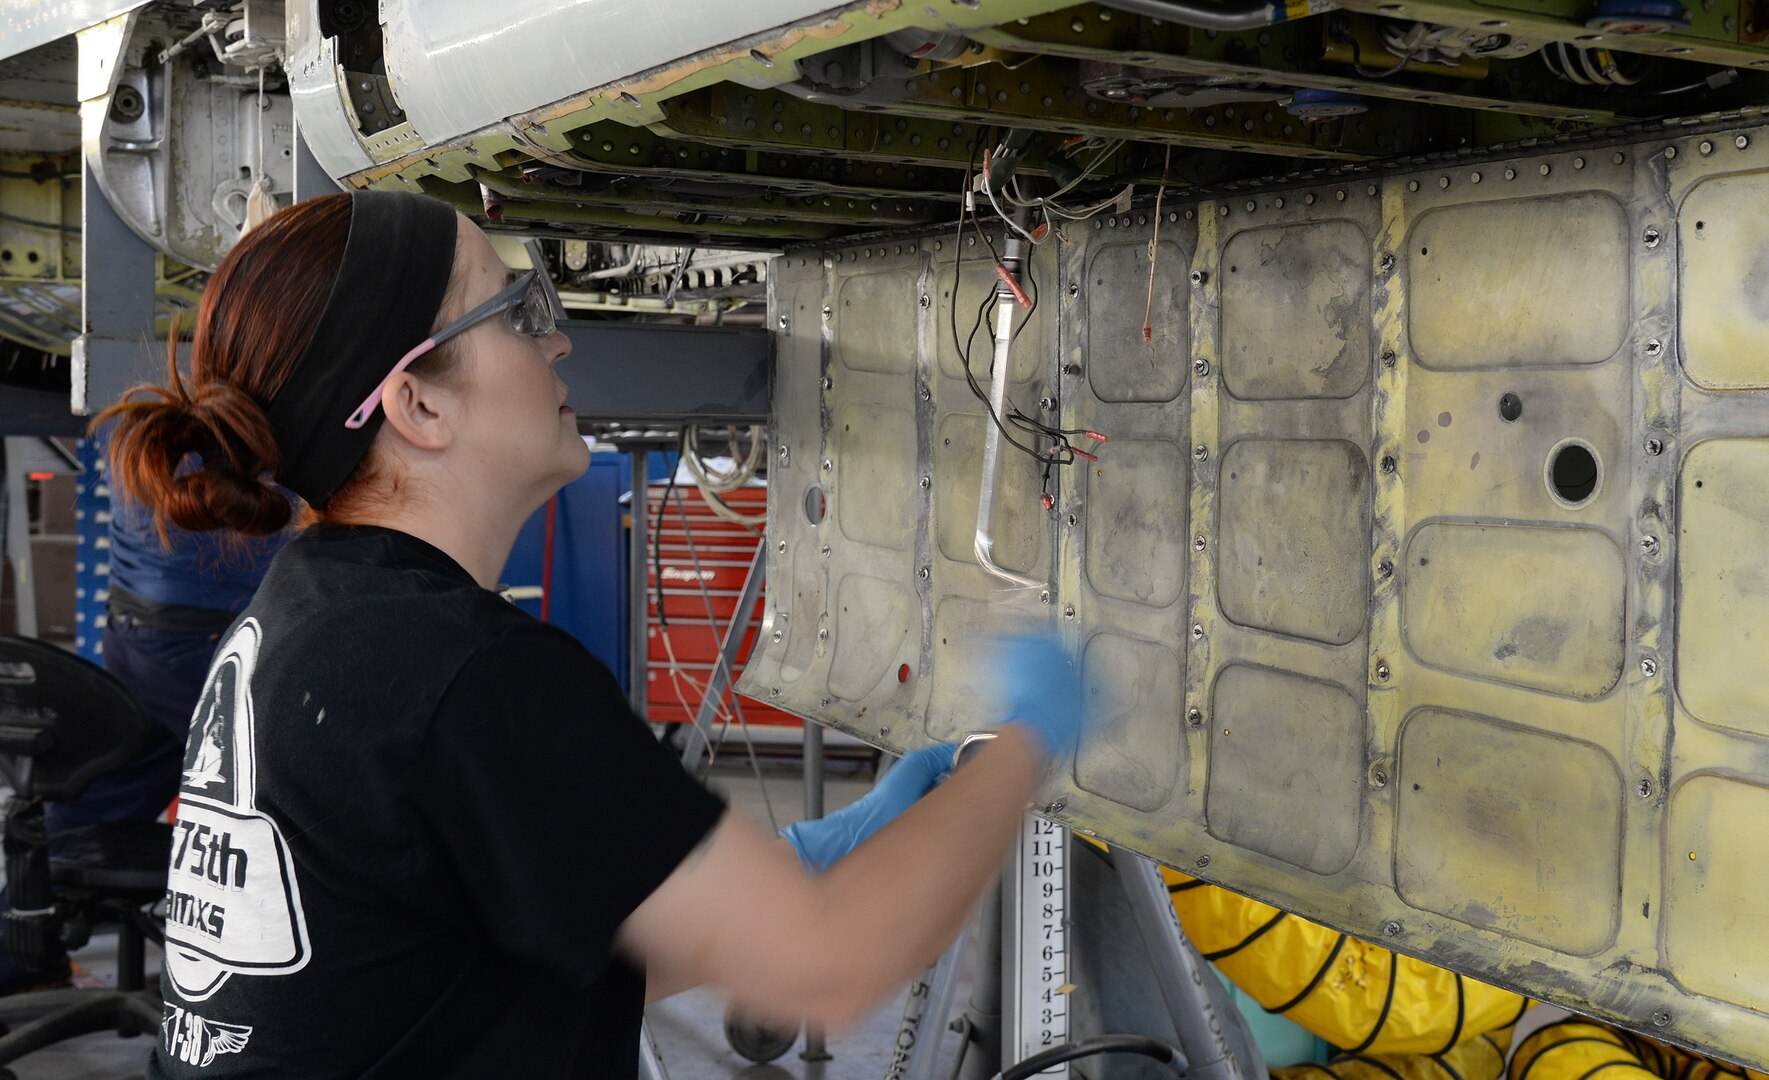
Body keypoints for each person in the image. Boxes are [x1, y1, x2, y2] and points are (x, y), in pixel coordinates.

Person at [101, 189, 1089, 1079]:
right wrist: (1026, 745)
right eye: (517, 313)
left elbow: (458, 956)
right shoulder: (464, 674)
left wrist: (789, 865)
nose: (559, 344)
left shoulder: (313, 619)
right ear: (418, 404)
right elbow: (830, 967)